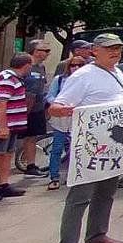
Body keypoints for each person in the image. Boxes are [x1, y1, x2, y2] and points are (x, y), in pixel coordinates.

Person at [49, 33, 123, 243]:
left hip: (112, 144)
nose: (115, 52)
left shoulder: (118, 72)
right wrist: (62, 110)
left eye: (118, 48)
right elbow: (57, 105)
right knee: (80, 195)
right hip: (89, 144)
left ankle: (96, 234)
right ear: (95, 50)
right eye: (109, 49)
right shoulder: (83, 75)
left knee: (106, 191)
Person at [0, 53, 32, 203]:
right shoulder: (7, 78)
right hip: (2, 125)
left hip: (12, 124)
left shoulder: (14, 78)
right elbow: (1, 103)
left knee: (7, 154)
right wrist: (2, 126)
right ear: (26, 65)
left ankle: (3, 184)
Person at [46, 55, 88, 190]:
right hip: (61, 118)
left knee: (77, 148)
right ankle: (54, 177)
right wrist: (60, 105)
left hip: (78, 118)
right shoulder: (59, 80)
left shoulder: (87, 81)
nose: (75, 68)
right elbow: (50, 96)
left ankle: (75, 175)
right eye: (73, 65)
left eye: (79, 65)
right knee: (57, 148)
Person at [19, 40, 51, 177]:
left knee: (32, 136)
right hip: (24, 107)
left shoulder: (41, 67)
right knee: (17, 137)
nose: (47, 53)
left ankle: (30, 165)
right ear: (36, 51)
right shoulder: (27, 66)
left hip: (37, 107)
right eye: (45, 50)